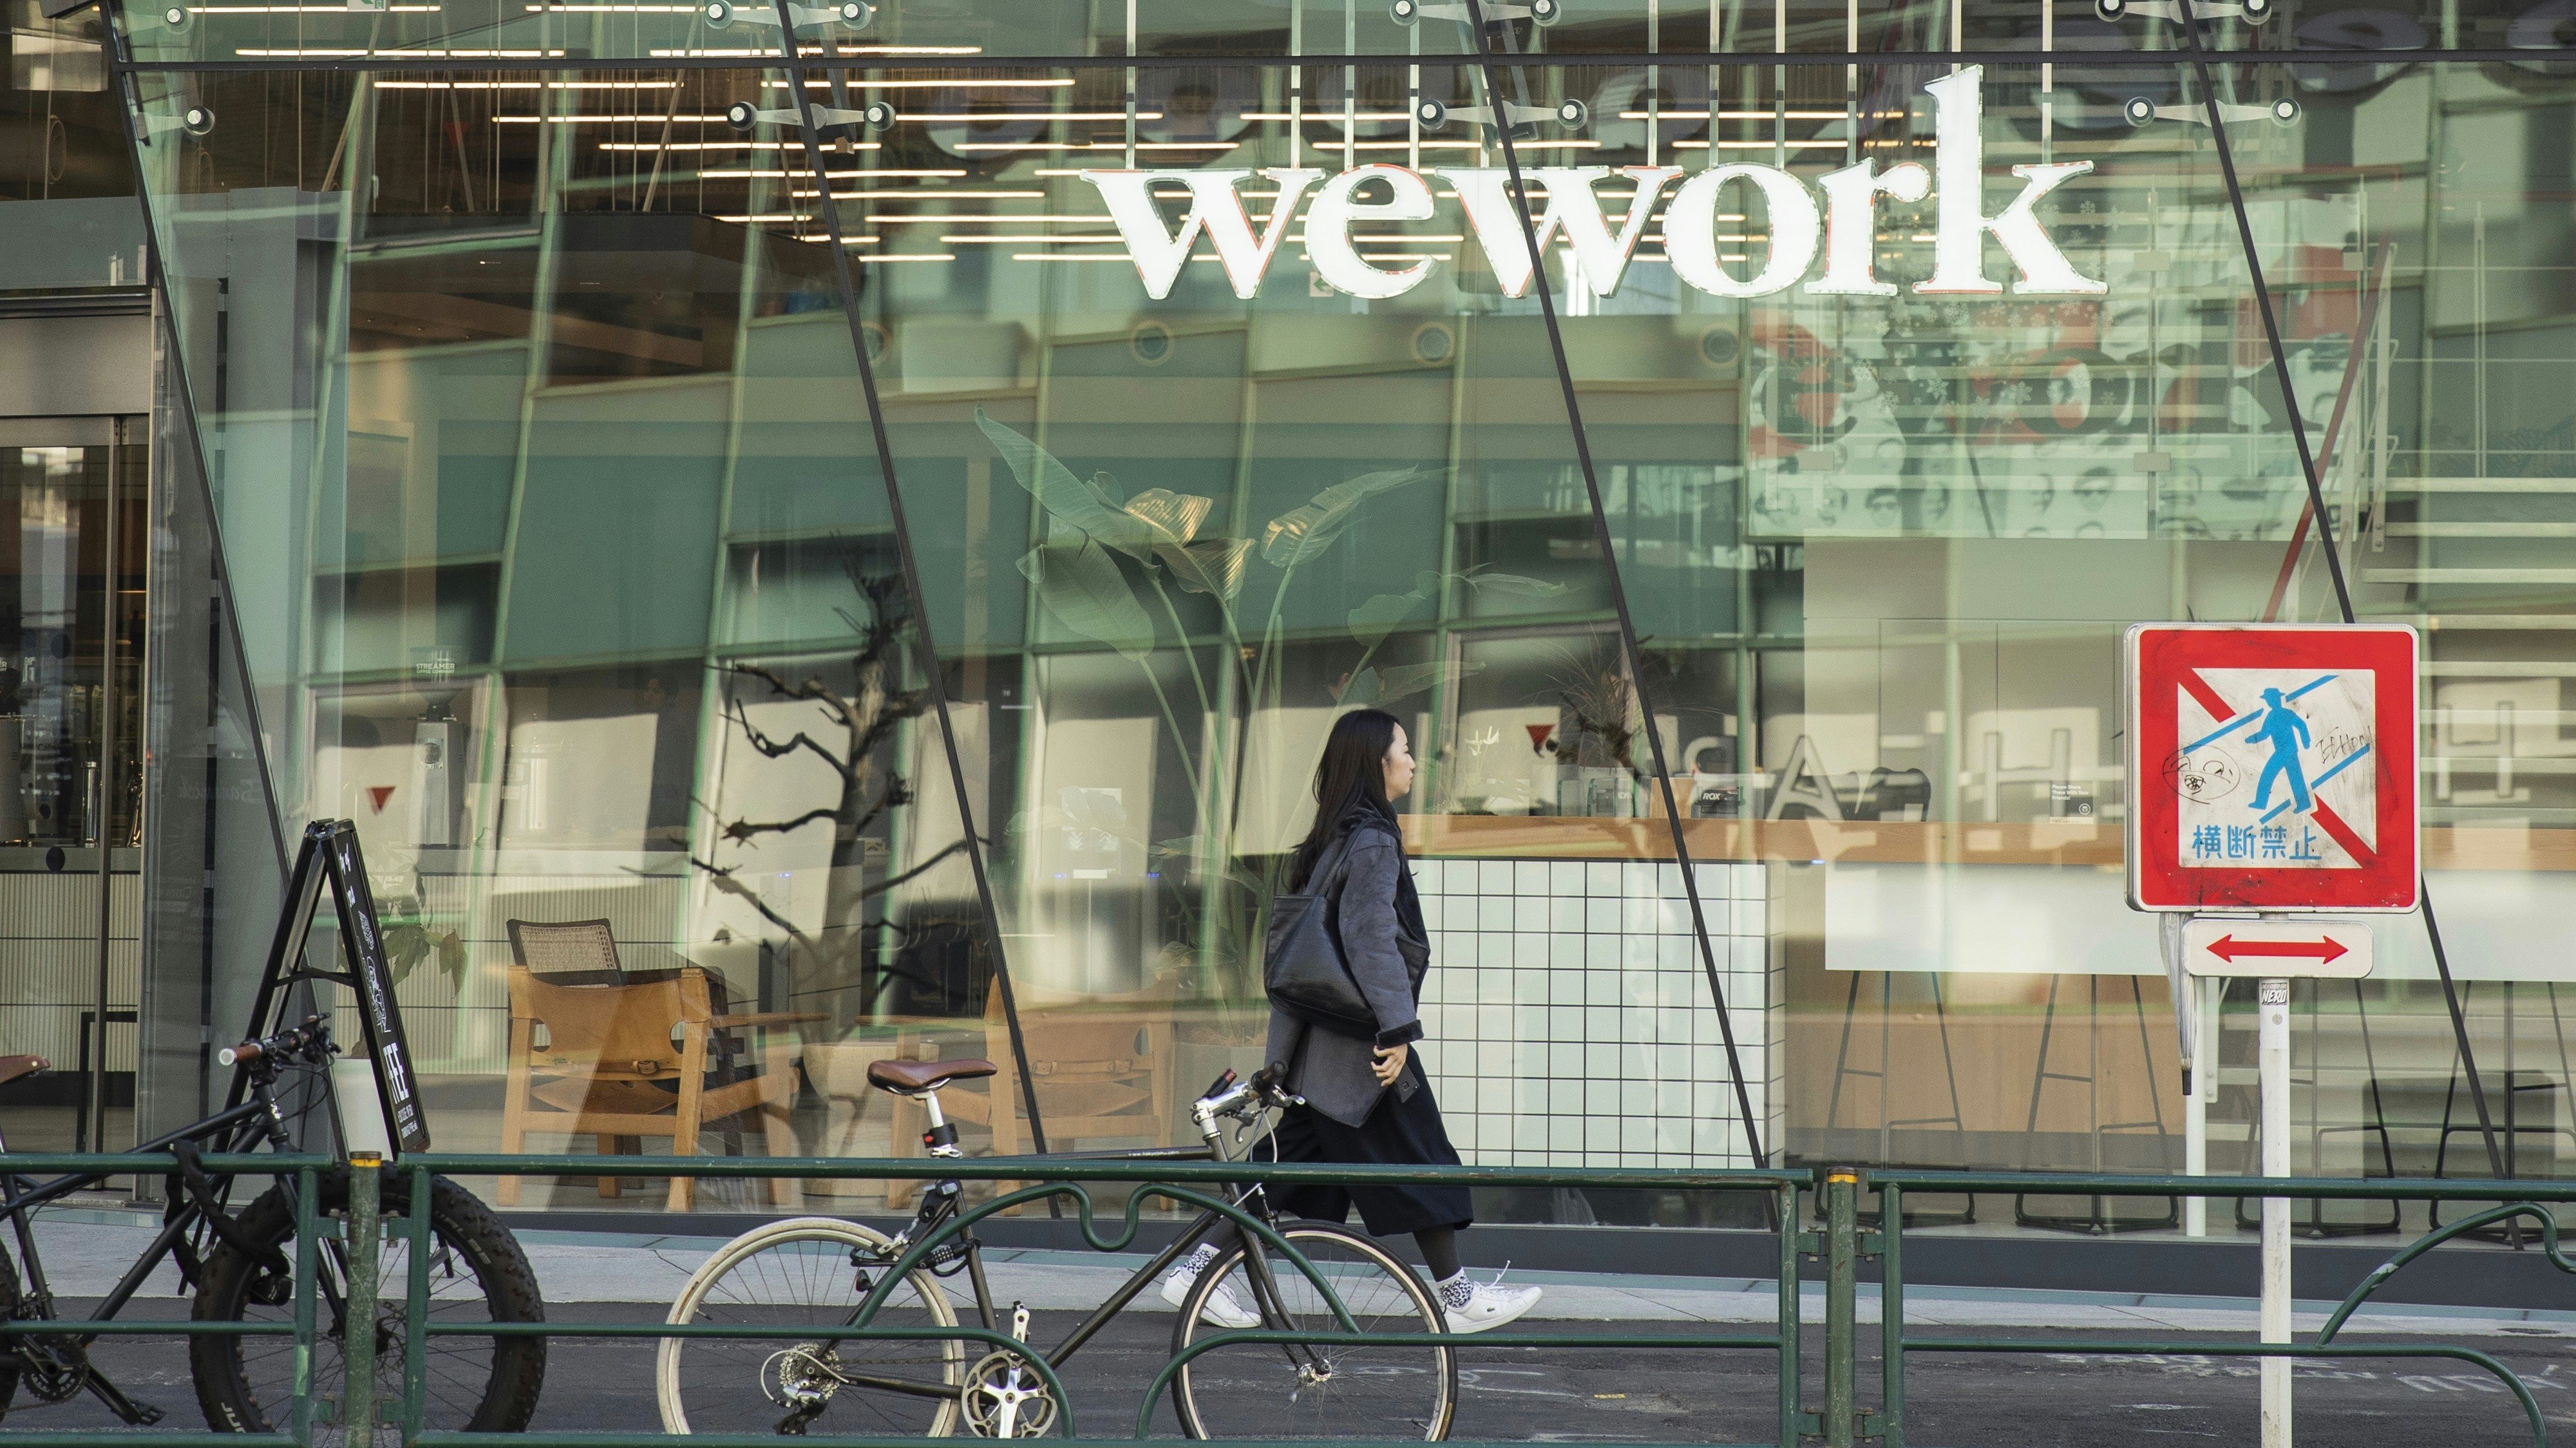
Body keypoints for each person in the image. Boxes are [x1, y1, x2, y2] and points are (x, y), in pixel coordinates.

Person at [1159, 708, 1542, 1333]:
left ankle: (1194, 1267)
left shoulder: (1334, 835)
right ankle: (1457, 1297)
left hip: (1324, 1040)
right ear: (1377, 763)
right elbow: (1370, 941)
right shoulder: (1371, 840)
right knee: (1421, 1153)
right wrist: (1395, 1029)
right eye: (1405, 750)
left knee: (1291, 1160)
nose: (1414, 761)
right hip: (1365, 1042)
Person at [2245, 686, 2313, 815]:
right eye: (2269, 700)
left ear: (2277, 699)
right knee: (2295, 777)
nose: (2270, 702)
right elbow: (2265, 734)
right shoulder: (2273, 716)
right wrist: (2252, 739)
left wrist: (2306, 742)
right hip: (2287, 751)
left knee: (2268, 774)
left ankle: (2260, 803)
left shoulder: (2285, 714)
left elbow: (2302, 725)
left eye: (2271, 699)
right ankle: (2303, 804)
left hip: (2285, 751)